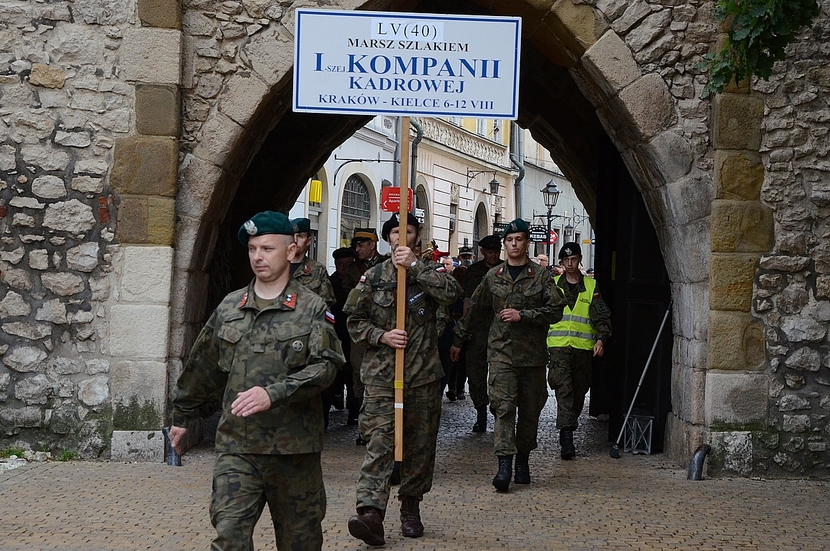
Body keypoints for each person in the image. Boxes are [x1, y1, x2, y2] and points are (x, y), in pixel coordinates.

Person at [169, 211, 345, 551]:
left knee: (301, 543)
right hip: (238, 446)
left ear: (291, 251)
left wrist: (274, 394)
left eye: (267, 248)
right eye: (252, 249)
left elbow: (326, 367)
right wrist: (182, 417)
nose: (258, 257)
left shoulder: (311, 307)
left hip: (294, 450)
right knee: (229, 538)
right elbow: (203, 366)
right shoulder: (230, 307)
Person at [344, 212, 462, 545]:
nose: (400, 237)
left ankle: (411, 506)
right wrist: (381, 336)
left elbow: (452, 294)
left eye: (407, 231)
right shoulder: (374, 277)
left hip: (423, 376)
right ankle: (371, 513)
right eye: (395, 232)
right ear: (387, 239)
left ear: (416, 237)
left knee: (419, 446)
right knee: (380, 442)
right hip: (382, 377)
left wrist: (416, 267)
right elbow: (353, 320)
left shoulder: (430, 272)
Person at [451, 220, 565, 492]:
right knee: (502, 407)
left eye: (519, 239)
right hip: (500, 353)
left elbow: (556, 310)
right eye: (510, 240)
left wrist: (524, 315)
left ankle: (523, 459)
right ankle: (504, 465)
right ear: (505, 244)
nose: (514, 244)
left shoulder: (541, 276)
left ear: (527, 243)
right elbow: (476, 309)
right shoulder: (494, 276)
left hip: (532, 356)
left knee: (529, 411)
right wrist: (458, 339)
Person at [547, 242, 612, 459]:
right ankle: (567, 438)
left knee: (579, 392)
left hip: (583, 350)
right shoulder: (554, 284)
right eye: (566, 260)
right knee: (563, 390)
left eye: (573, 259)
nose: (570, 264)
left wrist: (601, 339)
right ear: (562, 262)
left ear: (579, 259)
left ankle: (569, 424)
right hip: (558, 349)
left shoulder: (591, 287)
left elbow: (601, 316)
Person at [344, 228, 388, 440]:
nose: (357, 249)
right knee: (358, 372)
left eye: (362, 245)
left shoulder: (386, 265)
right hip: (361, 328)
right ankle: (360, 419)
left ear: (373, 245)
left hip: (384, 328)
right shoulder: (353, 269)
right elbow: (346, 296)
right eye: (356, 245)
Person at [455, 234, 502, 432]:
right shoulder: (474, 272)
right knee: (476, 372)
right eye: (489, 251)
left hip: (501, 328)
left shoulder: (506, 269)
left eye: (496, 251)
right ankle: (480, 411)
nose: (493, 254)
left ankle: (501, 414)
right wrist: (466, 329)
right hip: (479, 327)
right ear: (482, 252)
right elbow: (468, 301)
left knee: (501, 374)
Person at [328, 247, 358, 426]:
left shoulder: (359, 283)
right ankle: (335, 397)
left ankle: (353, 412)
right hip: (334, 331)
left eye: (348, 264)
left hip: (352, 335)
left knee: (352, 374)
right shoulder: (329, 283)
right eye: (341, 264)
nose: (344, 268)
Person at [289, 218, 336, 306]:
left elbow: (325, 305)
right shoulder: (277, 266)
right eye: (292, 236)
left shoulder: (318, 270)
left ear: (308, 240)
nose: (295, 240)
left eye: (300, 236)